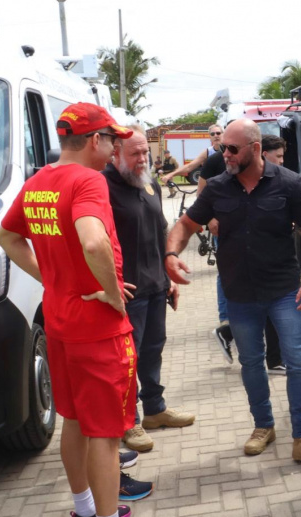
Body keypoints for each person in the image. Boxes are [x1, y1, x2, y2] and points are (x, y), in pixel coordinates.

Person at [0, 102, 162, 517]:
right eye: (111, 140)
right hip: (98, 328)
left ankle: (85, 512)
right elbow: (93, 240)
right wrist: (109, 291)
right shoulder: (88, 182)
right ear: (94, 141)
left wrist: (51, 279)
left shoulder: (39, 182)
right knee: (105, 435)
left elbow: (7, 237)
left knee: (74, 421)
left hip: (62, 322)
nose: (114, 149)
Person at [165, 119, 301, 468]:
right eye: (221, 147)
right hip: (240, 294)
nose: (223, 153)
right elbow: (185, 225)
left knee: (298, 362)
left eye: (231, 148)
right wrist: (170, 256)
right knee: (251, 363)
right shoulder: (216, 188)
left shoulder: (289, 183)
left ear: (255, 150)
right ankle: (263, 426)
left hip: (286, 291)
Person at [103, 125, 196, 454]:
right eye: (135, 154)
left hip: (156, 285)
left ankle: (155, 410)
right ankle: (129, 422)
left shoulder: (149, 181)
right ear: (115, 153)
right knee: (128, 360)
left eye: (146, 152)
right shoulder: (103, 186)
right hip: (127, 292)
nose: (143, 159)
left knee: (153, 350)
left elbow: (160, 231)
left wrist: (168, 275)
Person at [210, 134, 285, 373]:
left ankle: (273, 358)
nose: (227, 154)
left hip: (270, 262)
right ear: (261, 152)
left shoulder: (281, 180)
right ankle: (230, 330)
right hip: (242, 257)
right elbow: (203, 193)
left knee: (268, 307)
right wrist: (210, 218)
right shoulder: (218, 169)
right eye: (279, 156)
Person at [159, 124, 223, 197]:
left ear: (223, 134)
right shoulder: (208, 151)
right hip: (214, 190)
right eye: (212, 134)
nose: (215, 135)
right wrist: (170, 174)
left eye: (218, 133)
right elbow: (189, 166)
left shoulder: (229, 149)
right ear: (210, 137)